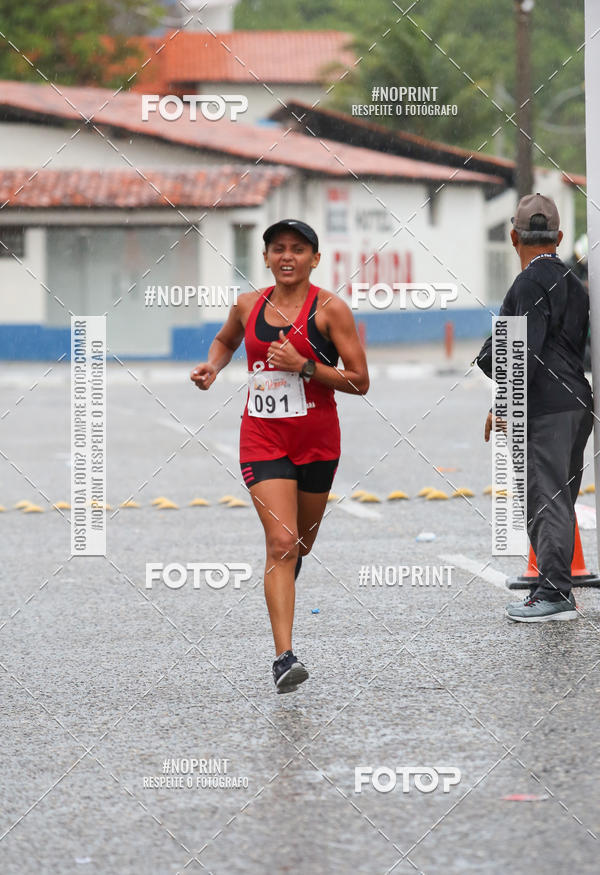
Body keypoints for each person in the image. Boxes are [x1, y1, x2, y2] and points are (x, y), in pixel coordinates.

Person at [190, 219, 369, 689]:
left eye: (298, 249)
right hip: (262, 439)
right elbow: (227, 340)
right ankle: (284, 659)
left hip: (317, 443)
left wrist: (306, 366)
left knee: (300, 545)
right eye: (277, 249)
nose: (286, 256)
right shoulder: (248, 305)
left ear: (315, 258)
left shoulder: (332, 310)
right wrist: (212, 365)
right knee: (281, 543)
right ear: (266, 257)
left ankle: (286, 571)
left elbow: (360, 381)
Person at [476, 193, 593, 622]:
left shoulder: (527, 283)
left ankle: (554, 594)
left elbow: (518, 353)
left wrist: (502, 403)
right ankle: (553, 588)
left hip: (546, 406)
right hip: (577, 402)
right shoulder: (574, 283)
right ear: (559, 237)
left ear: (513, 236)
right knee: (558, 496)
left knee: (545, 499)